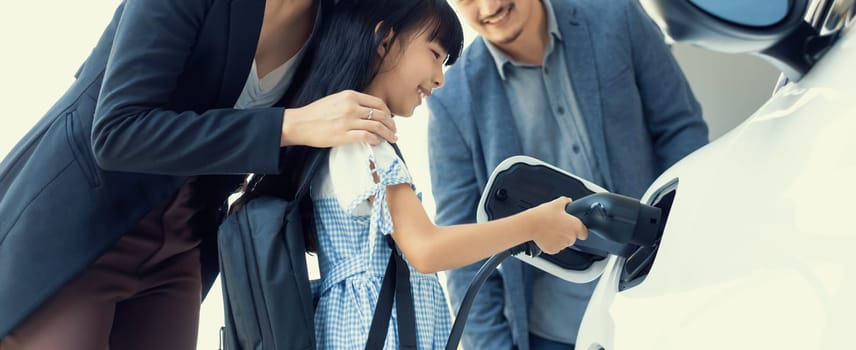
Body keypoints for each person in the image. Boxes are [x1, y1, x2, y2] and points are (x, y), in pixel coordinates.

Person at [0, 0, 402, 349]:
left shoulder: (334, 18)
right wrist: (287, 125)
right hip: (86, 224)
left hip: (184, 239)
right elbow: (116, 133)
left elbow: (414, 27)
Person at [255, 0, 587, 348]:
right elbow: (426, 249)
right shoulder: (363, 143)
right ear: (384, 41)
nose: (441, 78)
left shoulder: (346, 139)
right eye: (434, 54)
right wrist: (533, 225)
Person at [426, 0, 711, 349]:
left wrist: (688, 238)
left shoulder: (616, 16)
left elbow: (680, 127)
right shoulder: (451, 100)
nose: (490, 5)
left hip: (667, 290)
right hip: (556, 334)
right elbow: (464, 247)